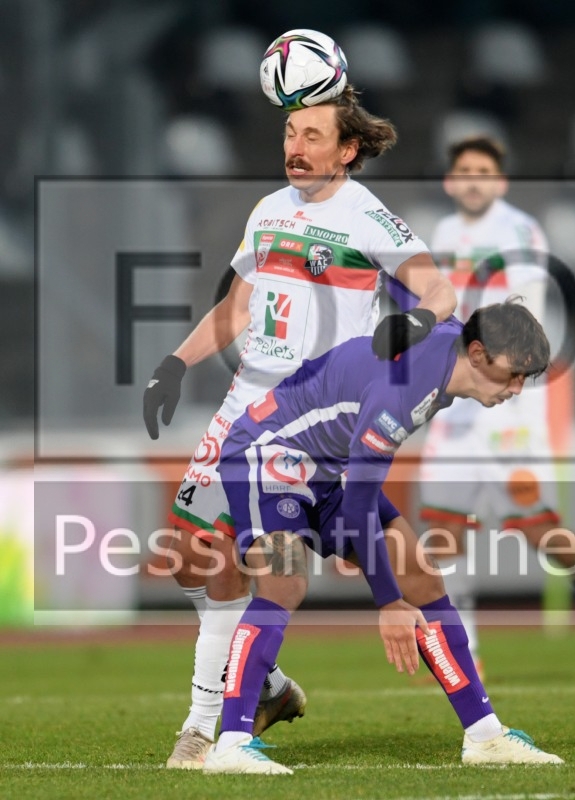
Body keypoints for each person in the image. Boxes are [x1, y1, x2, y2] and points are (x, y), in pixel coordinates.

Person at [143, 84, 457, 768]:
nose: (295, 146)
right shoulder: (268, 210)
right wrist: (174, 363)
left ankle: (201, 729)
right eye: (290, 133)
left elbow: (440, 290)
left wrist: (416, 321)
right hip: (243, 403)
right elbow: (235, 308)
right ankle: (268, 685)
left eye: (313, 135)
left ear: (347, 150)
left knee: (250, 568)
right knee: (189, 556)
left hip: (306, 420)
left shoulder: (367, 217)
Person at [202, 299, 564, 774]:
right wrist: (389, 603)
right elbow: (358, 507)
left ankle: (485, 737)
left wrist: (422, 309)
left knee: (422, 577)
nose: (517, 388)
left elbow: (434, 296)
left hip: (324, 466)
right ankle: (230, 745)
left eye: (525, 378)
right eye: (514, 374)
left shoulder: (452, 347)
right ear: (477, 353)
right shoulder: (402, 395)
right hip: (266, 452)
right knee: (285, 581)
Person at [416, 136, 575, 679]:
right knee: (445, 529)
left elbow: (519, 318)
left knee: (540, 530)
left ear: (499, 181)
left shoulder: (519, 232)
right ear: (450, 181)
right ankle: (467, 651)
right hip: (456, 400)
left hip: (508, 405)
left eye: (483, 171)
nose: (473, 180)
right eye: (464, 171)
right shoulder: (443, 234)